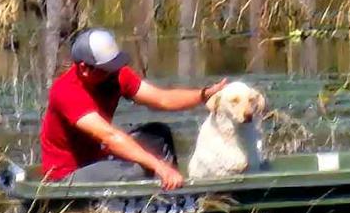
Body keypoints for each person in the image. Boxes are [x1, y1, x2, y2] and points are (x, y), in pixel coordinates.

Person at [40, 28, 227, 190]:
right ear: (84, 68)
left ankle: (171, 188)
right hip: (67, 177)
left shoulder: (115, 75)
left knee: (158, 134)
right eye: (106, 69)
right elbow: (109, 137)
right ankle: (162, 185)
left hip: (100, 160)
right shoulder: (66, 91)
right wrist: (158, 166)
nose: (113, 72)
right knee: (139, 169)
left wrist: (204, 95)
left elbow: (162, 99)